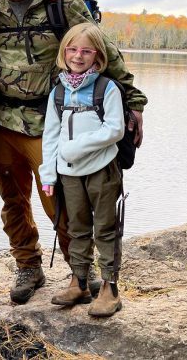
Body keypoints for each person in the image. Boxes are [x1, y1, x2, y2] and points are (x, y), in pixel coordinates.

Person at [0, 0, 147, 304]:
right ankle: (28, 266)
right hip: (0, 122)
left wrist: (133, 102)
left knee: (60, 202)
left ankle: (82, 271)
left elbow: (102, 47)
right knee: (13, 201)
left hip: (50, 125)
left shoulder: (61, 0)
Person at [40, 23, 125, 316]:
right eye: (73, 49)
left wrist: (79, 146)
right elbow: (50, 136)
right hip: (68, 173)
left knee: (105, 228)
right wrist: (48, 173)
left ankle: (109, 288)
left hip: (102, 170)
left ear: (97, 56)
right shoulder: (58, 93)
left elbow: (115, 129)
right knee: (76, 228)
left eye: (86, 50)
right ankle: (79, 282)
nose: (78, 55)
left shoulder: (107, 88)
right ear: (64, 53)